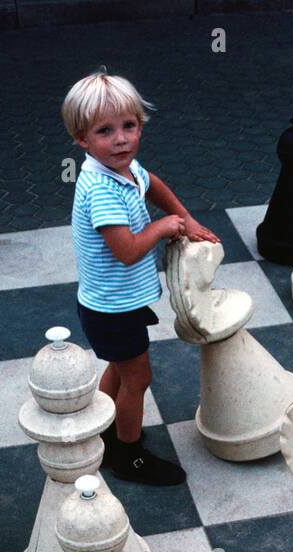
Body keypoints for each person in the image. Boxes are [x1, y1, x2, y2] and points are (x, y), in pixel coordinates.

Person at [62, 70, 219, 485]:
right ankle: (128, 456)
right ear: (82, 138)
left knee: (119, 368)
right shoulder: (101, 188)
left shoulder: (123, 170)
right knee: (139, 378)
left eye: (129, 126)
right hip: (111, 307)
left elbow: (153, 184)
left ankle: (104, 428)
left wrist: (186, 217)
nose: (121, 139)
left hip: (113, 302)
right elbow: (128, 251)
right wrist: (165, 227)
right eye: (104, 131)